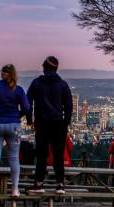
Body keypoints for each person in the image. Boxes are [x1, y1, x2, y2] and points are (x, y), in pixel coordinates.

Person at [26, 56, 73, 194]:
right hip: (58, 123)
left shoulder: (36, 83)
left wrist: (29, 120)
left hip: (42, 123)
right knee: (58, 154)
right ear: (56, 68)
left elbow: (28, 103)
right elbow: (69, 106)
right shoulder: (63, 84)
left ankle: (39, 184)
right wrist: (66, 122)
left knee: (42, 154)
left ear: (44, 68)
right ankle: (60, 185)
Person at [0, 64, 30, 197]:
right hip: (14, 125)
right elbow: (26, 108)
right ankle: (15, 189)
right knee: (14, 158)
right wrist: (17, 116)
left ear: (2, 74)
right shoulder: (19, 90)